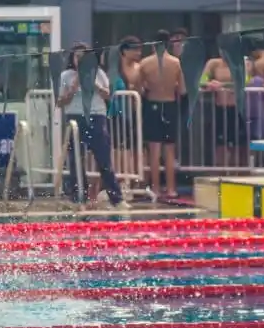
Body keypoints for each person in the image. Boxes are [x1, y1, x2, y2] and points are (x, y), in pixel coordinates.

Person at [57, 44, 124, 208]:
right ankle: (79, 196)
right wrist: (73, 88)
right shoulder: (66, 75)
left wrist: (94, 83)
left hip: (96, 116)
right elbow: (60, 102)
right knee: (75, 160)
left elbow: (108, 95)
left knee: (103, 159)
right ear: (72, 59)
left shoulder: (99, 73)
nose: (80, 60)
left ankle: (116, 197)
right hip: (75, 117)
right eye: (77, 57)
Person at [137, 29, 186, 201]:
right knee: (170, 150)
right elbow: (182, 89)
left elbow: (139, 89)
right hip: (170, 105)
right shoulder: (175, 63)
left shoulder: (145, 63)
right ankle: (171, 189)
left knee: (154, 150)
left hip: (153, 105)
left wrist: (149, 86)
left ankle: (156, 188)